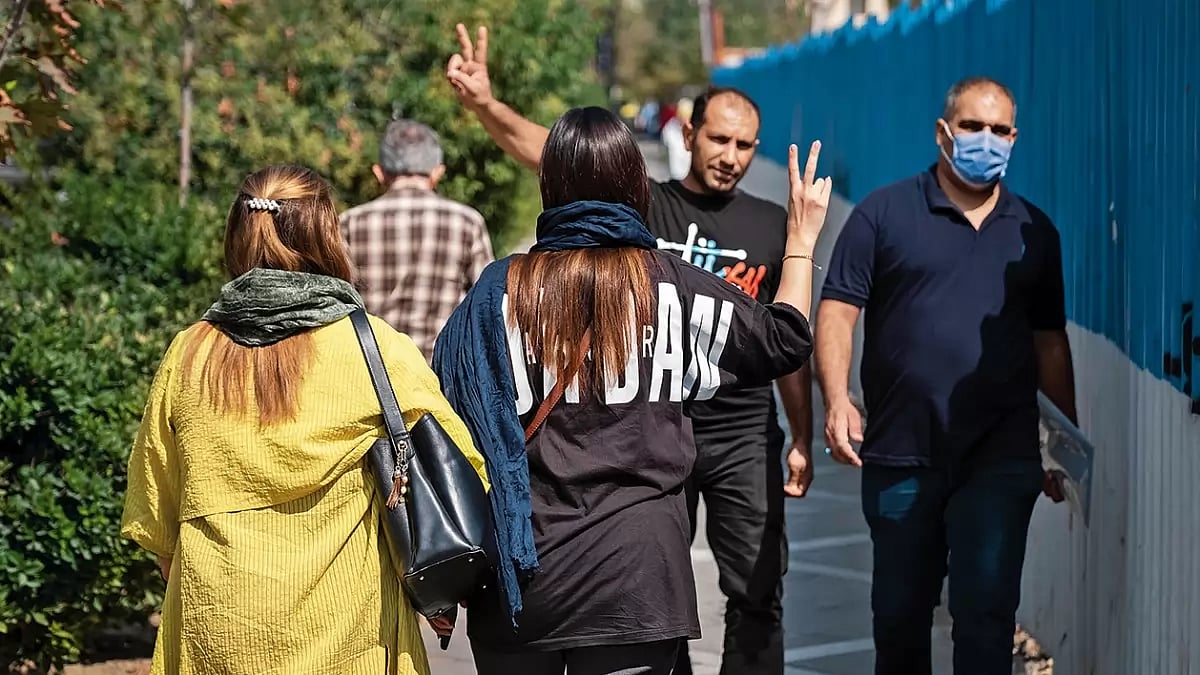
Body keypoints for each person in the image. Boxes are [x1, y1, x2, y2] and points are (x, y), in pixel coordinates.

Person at [445, 25, 816, 674]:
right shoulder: (674, 286)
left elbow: (446, 411)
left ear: (549, 184)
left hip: (520, 576)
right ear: (636, 184)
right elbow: (784, 338)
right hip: (638, 577)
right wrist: (803, 240)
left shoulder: (498, 292)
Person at [121, 165, 487, 675]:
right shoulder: (375, 349)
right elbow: (463, 470)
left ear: (235, 234)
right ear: (326, 234)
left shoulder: (188, 352)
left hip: (217, 631)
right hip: (347, 634)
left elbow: (159, 517)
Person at [816, 76, 1076, 675]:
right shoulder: (884, 214)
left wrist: (1066, 447)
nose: (986, 140)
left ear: (1015, 138)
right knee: (900, 617)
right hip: (901, 452)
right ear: (942, 132)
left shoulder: (1034, 233)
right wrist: (837, 399)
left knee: (986, 615)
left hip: (1000, 456)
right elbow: (838, 309)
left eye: (999, 130)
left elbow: (1050, 343)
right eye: (971, 126)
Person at [340, 118, 494, 363]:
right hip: (440, 378)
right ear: (437, 172)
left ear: (379, 173)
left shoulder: (349, 223)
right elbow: (488, 306)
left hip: (371, 376)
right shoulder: (467, 222)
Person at [662, 96, 695, 180]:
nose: (684, 119)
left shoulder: (695, 130)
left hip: (690, 177)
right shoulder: (670, 129)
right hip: (674, 176)